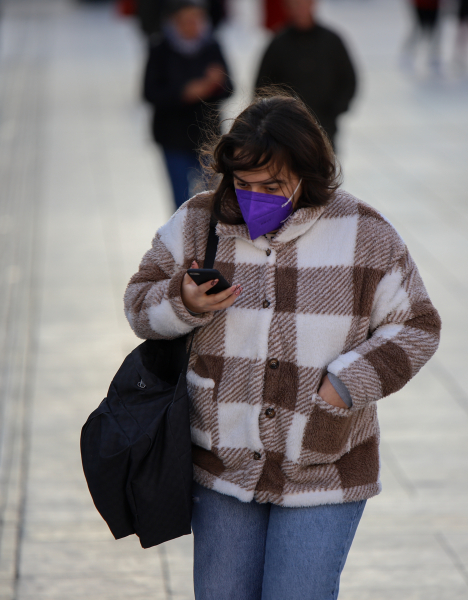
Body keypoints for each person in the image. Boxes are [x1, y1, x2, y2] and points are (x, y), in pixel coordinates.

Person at [124, 93, 441, 599]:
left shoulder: (365, 233)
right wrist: (181, 300)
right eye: (243, 183)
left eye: (272, 185)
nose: (255, 196)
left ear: (307, 172)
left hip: (325, 465)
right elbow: (139, 304)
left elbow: (417, 326)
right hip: (222, 465)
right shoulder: (197, 221)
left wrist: (342, 386)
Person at [144, 0, 233, 210]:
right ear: (174, 23)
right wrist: (183, 93)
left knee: (212, 198)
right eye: (186, 21)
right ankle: (183, 240)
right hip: (173, 137)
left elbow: (231, 87)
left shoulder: (212, 47)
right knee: (181, 200)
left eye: (197, 20)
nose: (192, 26)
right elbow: (149, 93)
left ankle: (209, 240)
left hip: (207, 136)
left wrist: (214, 84)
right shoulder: (160, 50)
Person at [255, 0, 356, 149]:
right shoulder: (278, 43)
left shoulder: (331, 40)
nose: (300, 9)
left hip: (324, 124)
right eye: (295, 5)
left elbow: (348, 79)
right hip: (287, 129)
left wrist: (335, 109)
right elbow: (262, 85)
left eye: (303, 4)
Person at [401, 0, 442, 70]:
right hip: (421, 5)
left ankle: (433, 56)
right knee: (418, 31)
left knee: (434, 32)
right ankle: (408, 54)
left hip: (433, 6)